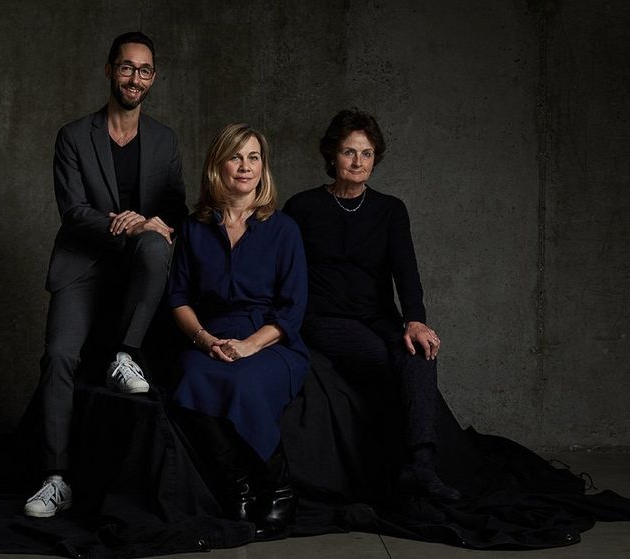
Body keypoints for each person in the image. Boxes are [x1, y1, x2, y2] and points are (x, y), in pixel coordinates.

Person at [24, 31, 187, 518]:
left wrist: (151, 225)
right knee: (57, 358)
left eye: (144, 70)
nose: (135, 77)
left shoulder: (164, 139)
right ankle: (55, 479)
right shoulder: (74, 135)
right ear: (110, 70)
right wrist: (127, 222)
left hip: (142, 266)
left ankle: (125, 352)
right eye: (126, 67)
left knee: (158, 245)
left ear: (152, 78)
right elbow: (73, 210)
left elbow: (175, 206)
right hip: (84, 263)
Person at [283, 108, 460, 502]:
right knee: (385, 360)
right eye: (349, 152)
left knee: (418, 354)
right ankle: (398, 465)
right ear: (332, 155)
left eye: (365, 153)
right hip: (324, 317)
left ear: (375, 157)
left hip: (377, 316)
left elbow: (407, 274)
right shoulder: (302, 208)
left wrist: (415, 321)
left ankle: (422, 466)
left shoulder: (390, 210)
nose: (358, 162)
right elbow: (286, 272)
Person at [167, 123, 309, 537]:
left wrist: (249, 345)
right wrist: (205, 340)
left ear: (263, 168)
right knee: (191, 377)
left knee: (244, 382)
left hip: (273, 340)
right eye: (236, 157)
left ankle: (280, 491)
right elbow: (178, 299)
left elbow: (293, 309)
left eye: (254, 157)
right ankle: (239, 488)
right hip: (211, 337)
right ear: (218, 165)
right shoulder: (195, 228)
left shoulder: (284, 229)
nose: (245, 166)